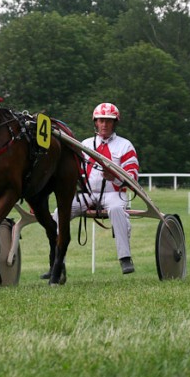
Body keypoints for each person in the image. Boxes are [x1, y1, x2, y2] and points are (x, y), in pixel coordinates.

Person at [53, 102, 140, 275]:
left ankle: (125, 258)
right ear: (96, 122)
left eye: (109, 121)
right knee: (58, 213)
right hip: (87, 195)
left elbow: (133, 177)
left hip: (114, 194)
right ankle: (57, 263)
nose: (104, 124)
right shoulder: (85, 144)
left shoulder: (125, 145)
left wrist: (115, 177)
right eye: (101, 121)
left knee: (116, 209)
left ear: (115, 123)